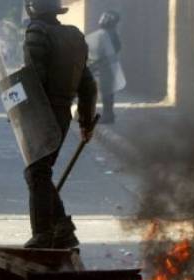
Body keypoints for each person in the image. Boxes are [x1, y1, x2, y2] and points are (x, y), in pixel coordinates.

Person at [22, 0, 97, 249]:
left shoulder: (36, 33)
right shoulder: (74, 36)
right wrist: (85, 122)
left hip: (43, 110)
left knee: (37, 172)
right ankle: (62, 230)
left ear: (32, 8)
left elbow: (35, 79)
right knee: (41, 171)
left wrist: (21, 106)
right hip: (63, 112)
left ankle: (44, 232)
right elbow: (88, 84)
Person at [87, 11, 125, 124]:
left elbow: (115, 47)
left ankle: (108, 116)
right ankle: (108, 115)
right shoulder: (108, 33)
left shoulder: (110, 33)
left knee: (107, 91)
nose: (102, 19)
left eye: (105, 18)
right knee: (106, 91)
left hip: (107, 66)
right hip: (105, 65)